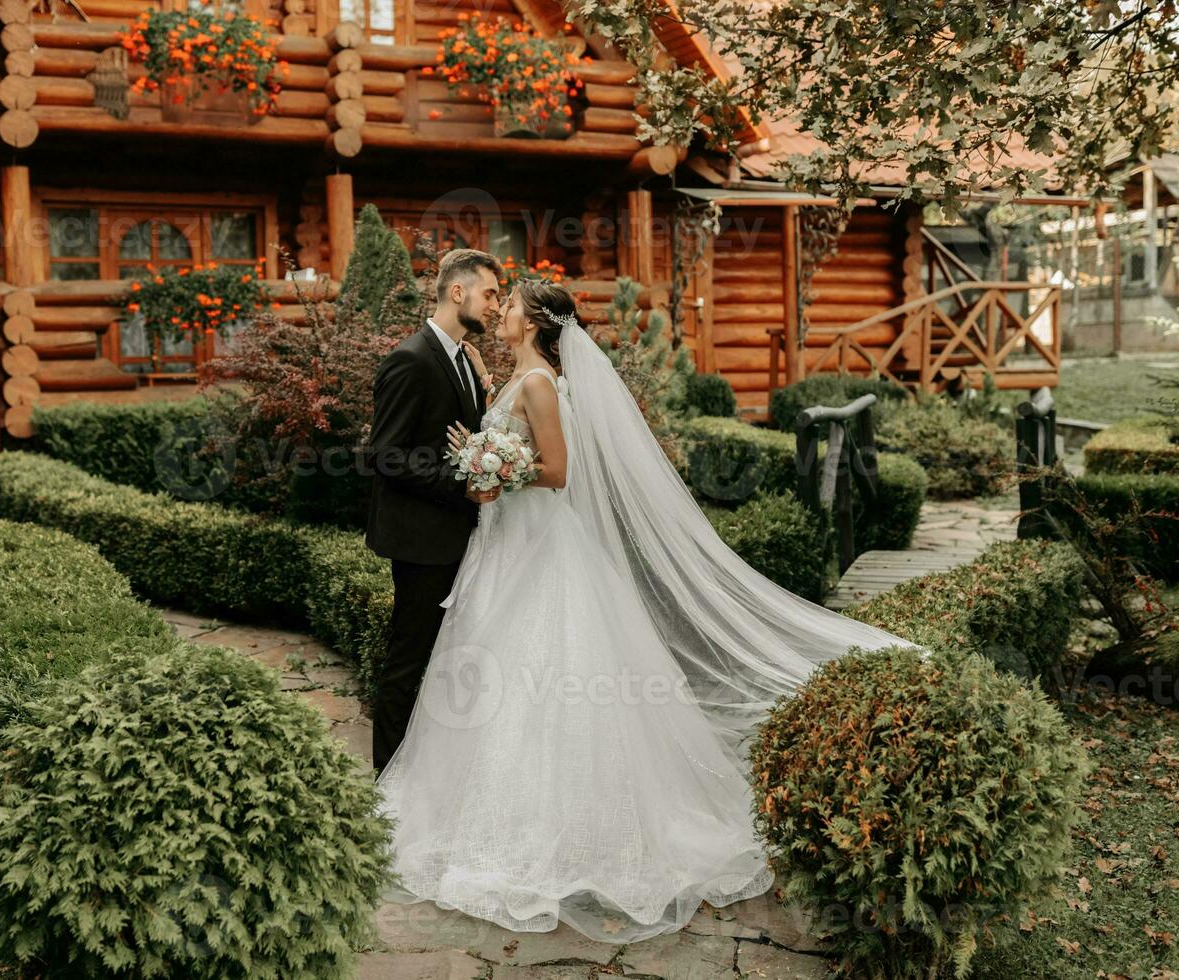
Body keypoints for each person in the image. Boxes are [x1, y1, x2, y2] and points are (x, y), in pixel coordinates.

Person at [373, 279, 917, 943]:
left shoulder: (542, 383)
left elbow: (558, 471)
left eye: (511, 303)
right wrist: (482, 461)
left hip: (537, 546)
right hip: (502, 545)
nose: (502, 310)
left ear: (536, 323)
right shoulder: (512, 376)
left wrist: (494, 470)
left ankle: (559, 831)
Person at [364, 247, 504, 776]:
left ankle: (427, 776)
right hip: (422, 541)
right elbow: (385, 454)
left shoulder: (465, 358)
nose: (495, 305)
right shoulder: (412, 358)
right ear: (458, 291)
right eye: (489, 293)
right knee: (409, 661)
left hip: (455, 537)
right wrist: (460, 486)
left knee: (447, 663)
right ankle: (386, 780)